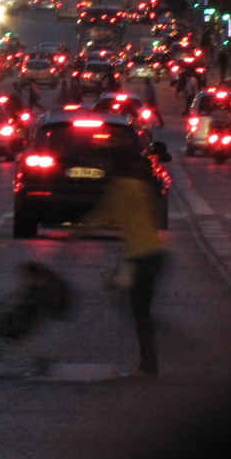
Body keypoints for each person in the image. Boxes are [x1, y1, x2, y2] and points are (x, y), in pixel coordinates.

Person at [78, 136, 167, 379]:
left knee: (139, 312)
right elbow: (150, 217)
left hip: (142, 257)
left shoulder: (120, 188)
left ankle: (149, 366)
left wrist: (77, 232)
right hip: (154, 253)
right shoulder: (138, 185)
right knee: (140, 310)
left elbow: (104, 216)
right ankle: (151, 359)